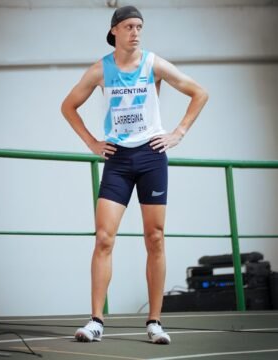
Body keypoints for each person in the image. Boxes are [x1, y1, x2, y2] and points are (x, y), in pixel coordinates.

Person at [61, 5, 208, 344]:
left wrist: (178, 132)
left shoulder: (153, 64)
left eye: (139, 26)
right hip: (118, 159)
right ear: (114, 31)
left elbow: (199, 93)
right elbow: (68, 106)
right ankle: (96, 320)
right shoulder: (101, 69)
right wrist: (92, 143)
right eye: (128, 26)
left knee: (155, 237)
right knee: (104, 238)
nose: (135, 32)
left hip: (151, 156)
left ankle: (154, 321)